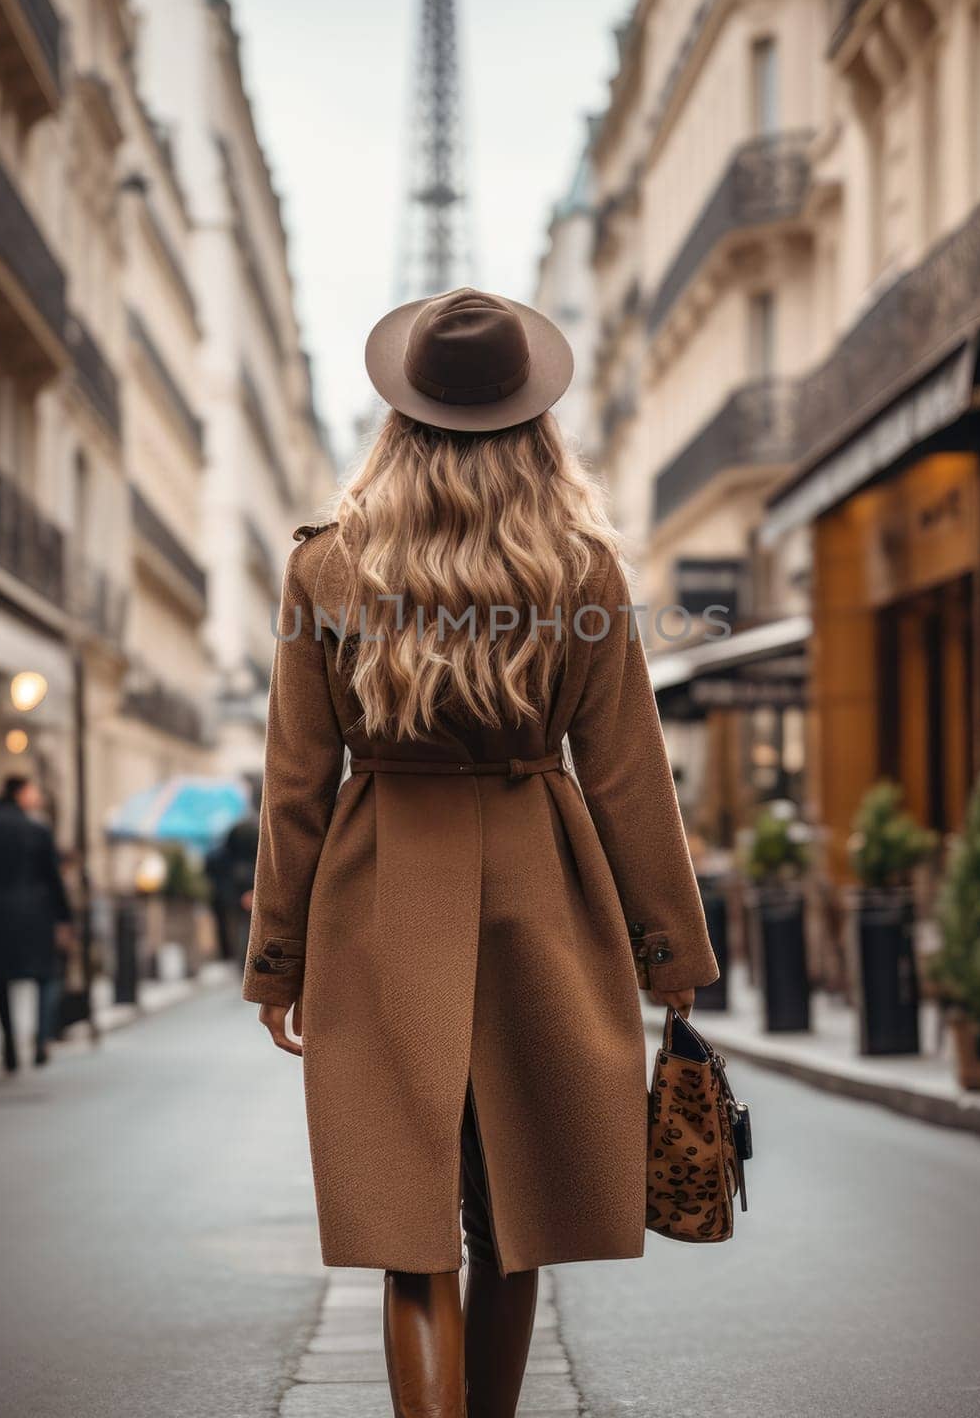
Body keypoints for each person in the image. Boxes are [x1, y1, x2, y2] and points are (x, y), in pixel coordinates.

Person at [244, 288, 718, 1418]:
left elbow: (295, 785)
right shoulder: (582, 570)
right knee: (516, 1219)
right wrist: (670, 951)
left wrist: (278, 959)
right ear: (535, 423)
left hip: (374, 897)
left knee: (412, 1226)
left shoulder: (325, 570)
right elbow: (625, 773)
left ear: (398, 422)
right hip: (540, 887)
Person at [0, 775, 73, 1072]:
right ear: (21, 793)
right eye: (33, 791)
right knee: (46, 976)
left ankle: (9, 1043)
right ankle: (39, 1041)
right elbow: (53, 878)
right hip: (34, 916)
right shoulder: (37, 829)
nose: (36, 797)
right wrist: (64, 918)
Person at [205, 778, 261, 967]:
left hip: (239, 885)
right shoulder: (258, 827)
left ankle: (243, 962)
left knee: (241, 927)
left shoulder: (236, 829)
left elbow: (223, 860)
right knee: (249, 927)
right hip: (252, 883)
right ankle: (247, 962)